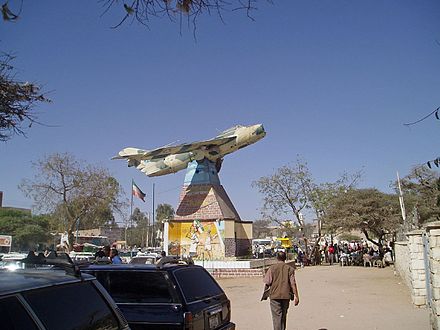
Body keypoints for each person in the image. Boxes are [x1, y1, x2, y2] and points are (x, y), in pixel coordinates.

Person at [263, 251, 299, 330]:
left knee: (277, 317)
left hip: (274, 296)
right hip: (286, 296)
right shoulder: (290, 269)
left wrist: (265, 294)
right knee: (283, 316)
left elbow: (267, 283)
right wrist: (296, 296)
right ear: (285, 258)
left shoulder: (272, 268)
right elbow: (293, 284)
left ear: (277, 258)